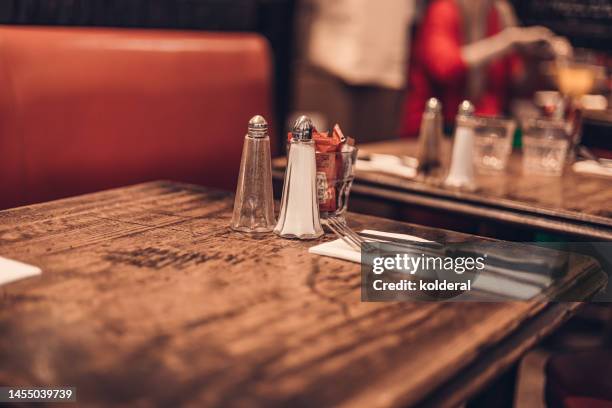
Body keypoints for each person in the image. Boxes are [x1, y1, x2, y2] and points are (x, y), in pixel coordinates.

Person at [399, 0, 572, 137]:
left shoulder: (499, 12)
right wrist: (507, 41)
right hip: (437, 131)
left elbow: (518, 84)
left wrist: (535, 58)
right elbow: (444, 68)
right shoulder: (444, 8)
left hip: (487, 129)